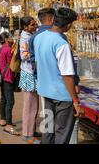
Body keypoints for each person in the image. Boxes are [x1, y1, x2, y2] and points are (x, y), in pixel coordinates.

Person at [34, 8, 83, 144]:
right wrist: (75, 101)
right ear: (68, 24)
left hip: (45, 91)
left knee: (48, 130)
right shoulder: (61, 44)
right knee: (62, 133)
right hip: (62, 96)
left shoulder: (39, 37)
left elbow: (38, 63)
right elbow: (67, 75)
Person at [18, 16, 40, 144]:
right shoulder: (25, 38)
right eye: (32, 24)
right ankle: (27, 133)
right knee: (30, 105)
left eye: (35, 23)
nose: (35, 26)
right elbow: (24, 55)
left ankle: (31, 130)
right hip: (28, 72)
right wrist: (37, 53)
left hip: (31, 72)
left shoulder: (29, 36)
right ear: (26, 27)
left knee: (33, 104)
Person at [0, 32, 20, 136]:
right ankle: (8, 124)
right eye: (10, 37)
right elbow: (13, 65)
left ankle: (3, 119)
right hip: (8, 77)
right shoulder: (8, 50)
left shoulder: (3, 48)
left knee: (4, 98)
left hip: (3, 76)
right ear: (6, 39)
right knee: (10, 101)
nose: (12, 38)